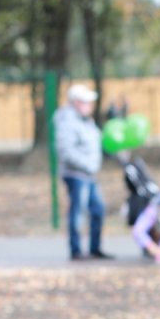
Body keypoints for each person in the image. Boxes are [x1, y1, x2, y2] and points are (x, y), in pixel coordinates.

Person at [53, 83, 112, 261]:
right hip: (77, 175)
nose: (89, 105)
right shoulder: (67, 121)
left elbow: (96, 143)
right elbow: (66, 152)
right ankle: (76, 250)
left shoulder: (86, 120)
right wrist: (88, 165)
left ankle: (95, 248)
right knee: (78, 212)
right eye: (86, 102)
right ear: (76, 102)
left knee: (98, 210)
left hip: (89, 175)